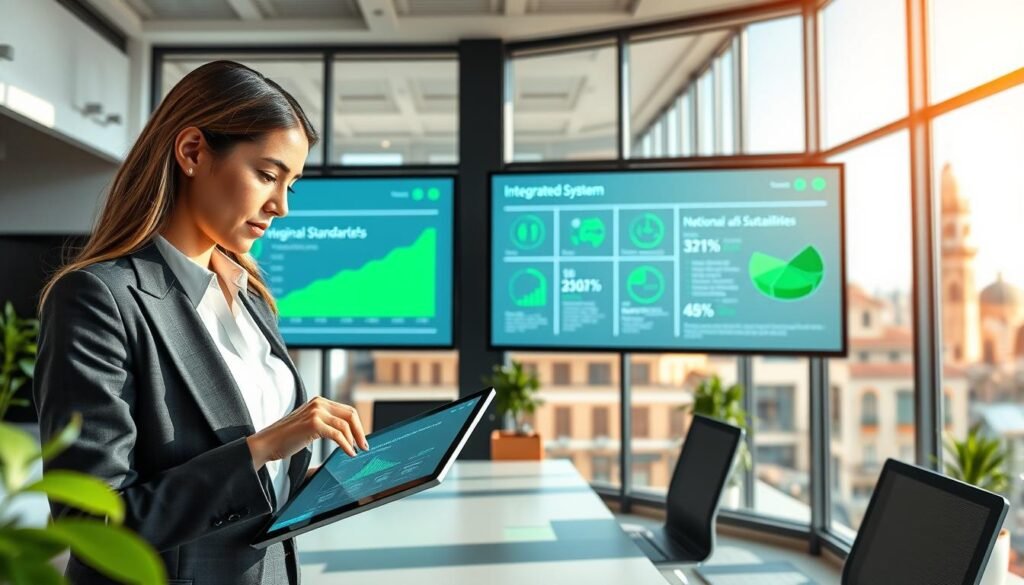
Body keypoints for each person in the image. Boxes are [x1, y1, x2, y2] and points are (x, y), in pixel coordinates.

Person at [33, 60, 367, 585]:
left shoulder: (251, 296)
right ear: (192, 152)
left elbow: (255, 486)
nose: (281, 206)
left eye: (291, 185)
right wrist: (264, 447)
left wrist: (338, 480)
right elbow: (90, 522)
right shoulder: (97, 299)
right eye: (267, 174)